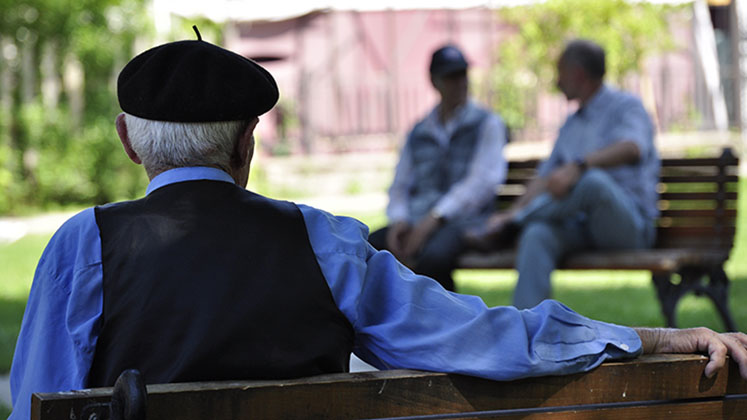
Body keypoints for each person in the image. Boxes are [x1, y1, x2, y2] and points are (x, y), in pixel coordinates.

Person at [8, 32, 747, 420]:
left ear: (127, 141)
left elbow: (40, 402)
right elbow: (489, 338)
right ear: (246, 144)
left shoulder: (83, 245)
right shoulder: (325, 243)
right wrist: (653, 338)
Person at [466, 39, 660, 310]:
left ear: (578, 74)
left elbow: (633, 147)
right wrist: (512, 210)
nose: (557, 82)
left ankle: (512, 226)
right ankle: (525, 330)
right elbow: (545, 178)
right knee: (536, 234)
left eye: (560, 73)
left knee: (591, 181)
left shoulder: (627, 107)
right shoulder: (571, 123)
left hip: (628, 228)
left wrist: (579, 166)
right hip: (579, 227)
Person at [368, 44, 507, 291]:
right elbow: (400, 184)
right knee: (366, 249)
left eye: (462, 74)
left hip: (467, 222)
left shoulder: (488, 124)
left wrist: (434, 218)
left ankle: (443, 325)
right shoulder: (419, 131)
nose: (460, 83)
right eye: (451, 76)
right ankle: (382, 324)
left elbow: (483, 182)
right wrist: (399, 220)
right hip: (417, 219)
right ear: (434, 81)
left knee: (433, 259)